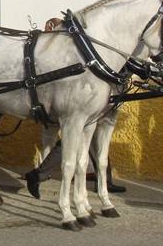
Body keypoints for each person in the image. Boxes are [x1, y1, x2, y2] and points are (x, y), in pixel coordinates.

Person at [23, 17, 126, 199]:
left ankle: (102, 182)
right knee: (65, 143)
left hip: (94, 102)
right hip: (61, 108)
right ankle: (40, 174)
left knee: (91, 142)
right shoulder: (51, 50)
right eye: (52, 28)